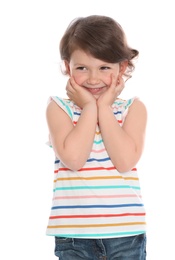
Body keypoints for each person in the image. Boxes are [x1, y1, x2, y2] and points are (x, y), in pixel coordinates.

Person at [46, 15, 147, 260]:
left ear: (122, 68)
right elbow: (73, 159)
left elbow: (124, 161)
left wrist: (104, 108)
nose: (93, 79)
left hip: (126, 234)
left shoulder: (133, 109)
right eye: (82, 68)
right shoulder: (59, 108)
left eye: (104, 68)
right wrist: (90, 108)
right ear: (68, 66)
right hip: (74, 236)